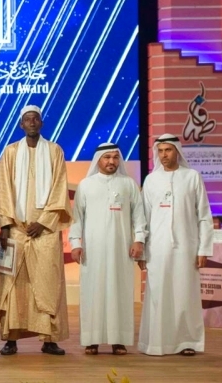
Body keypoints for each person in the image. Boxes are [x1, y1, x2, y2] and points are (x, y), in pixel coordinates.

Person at [0, 105, 72, 356]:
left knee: (48, 283)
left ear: (42, 123)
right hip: (15, 229)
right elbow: (2, 188)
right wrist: (5, 224)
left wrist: (44, 221)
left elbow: (59, 188)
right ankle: (11, 339)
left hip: (45, 231)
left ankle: (49, 339)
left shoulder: (55, 151)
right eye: (27, 119)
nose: (32, 122)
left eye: (36, 118)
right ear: (21, 125)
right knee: (13, 284)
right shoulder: (11, 152)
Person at [138, 133, 213, 356]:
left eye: (168, 150)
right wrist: (141, 250)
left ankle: (187, 342)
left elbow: (204, 216)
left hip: (186, 246)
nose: (164, 155)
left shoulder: (192, 177)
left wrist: (204, 249)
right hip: (157, 248)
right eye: (160, 151)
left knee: (185, 294)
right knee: (158, 295)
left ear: (177, 151)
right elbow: (143, 217)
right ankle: (157, 343)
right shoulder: (151, 180)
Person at [69, 143, 146, 356]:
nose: (111, 161)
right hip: (92, 251)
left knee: (120, 292)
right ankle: (91, 340)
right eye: (107, 157)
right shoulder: (86, 185)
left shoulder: (129, 184)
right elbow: (77, 218)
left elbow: (139, 216)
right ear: (98, 160)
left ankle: (118, 340)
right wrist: (76, 243)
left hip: (121, 250)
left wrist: (139, 240)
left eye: (115, 157)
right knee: (92, 292)